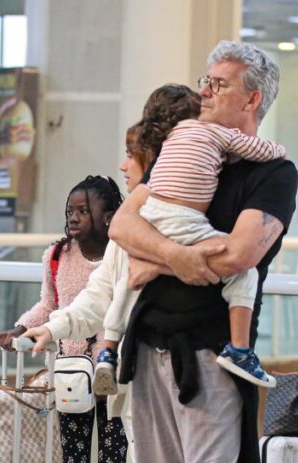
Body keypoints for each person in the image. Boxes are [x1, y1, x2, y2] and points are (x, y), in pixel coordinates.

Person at [23, 86, 283, 463]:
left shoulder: (201, 205)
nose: (122, 166)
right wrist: (50, 327)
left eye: (132, 156)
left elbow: (236, 260)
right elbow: (99, 293)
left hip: (195, 364)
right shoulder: (130, 228)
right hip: (136, 368)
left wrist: (166, 263)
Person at [106, 42, 298, 463]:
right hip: (150, 341)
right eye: (204, 81)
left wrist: (164, 260)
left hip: (213, 354)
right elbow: (122, 227)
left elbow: (242, 253)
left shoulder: (271, 173)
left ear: (253, 99)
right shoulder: (186, 147)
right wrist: (184, 256)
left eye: (220, 84)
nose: (206, 91)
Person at [0, 176, 135, 463]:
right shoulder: (57, 256)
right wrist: (22, 327)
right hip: (71, 378)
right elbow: (50, 304)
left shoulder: (124, 257)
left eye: (83, 211)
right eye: (69, 211)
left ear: (108, 215)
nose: (74, 218)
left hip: (113, 381)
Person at [92, 91, 287, 396]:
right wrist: (280, 150)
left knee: (129, 280)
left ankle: (107, 350)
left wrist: (157, 261)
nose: (210, 93)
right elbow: (237, 257)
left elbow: (123, 224)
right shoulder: (222, 135)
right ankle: (240, 349)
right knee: (244, 273)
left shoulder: (172, 140)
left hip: (152, 213)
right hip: (184, 220)